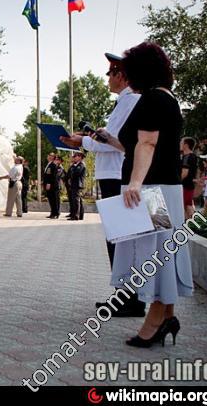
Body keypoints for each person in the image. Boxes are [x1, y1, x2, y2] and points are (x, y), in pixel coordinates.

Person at [97, 41, 192, 348]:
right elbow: (142, 146)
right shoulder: (166, 98)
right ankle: (166, 317)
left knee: (155, 256)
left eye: (128, 67)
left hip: (152, 193)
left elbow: (148, 145)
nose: (124, 73)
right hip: (161, 190)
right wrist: (114, 142)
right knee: (162, 254)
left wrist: (135, 183)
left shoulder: (151, 99)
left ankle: (155, 321)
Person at [60, 52, 144, 315]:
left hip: (117, 175)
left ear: (121, 75)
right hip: (112, 175)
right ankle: (125, 295)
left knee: (121, 239)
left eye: (110, 73)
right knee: (117, 239)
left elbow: (116, 141)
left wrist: (82, 141)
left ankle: (130, 298)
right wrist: (84, 138)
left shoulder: (130, 101)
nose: (107, 78)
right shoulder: (123, 102)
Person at [180, 137, 198, 219]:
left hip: (184, 185)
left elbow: (184, 173)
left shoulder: (186, 157)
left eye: (181, 142)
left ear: (186, 145)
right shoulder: (194, 156)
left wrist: (177, 182)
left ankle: (184, 226)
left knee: (182, 206)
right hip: (190, 185)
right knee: (188, 205)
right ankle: (193, 226)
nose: (180, 144)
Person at [65, 152, 86, 221]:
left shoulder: (81, 165)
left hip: (78, 185)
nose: (74, 158)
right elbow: (69, 174)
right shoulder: (75, 165)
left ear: (80, 157)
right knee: (77, 200)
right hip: (74, 184)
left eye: (75, 156)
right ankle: (79, 215)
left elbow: (76, 173)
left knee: (76, 200)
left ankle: (76, 216)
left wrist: (73, 167)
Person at [43, 153, 58, 218]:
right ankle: (52, 213)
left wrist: (48, 183)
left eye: (50, 156)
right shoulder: (48, 164)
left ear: (53, 157)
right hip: (48, 184)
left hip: (52, 185)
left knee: (54, 199)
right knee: (50, 199)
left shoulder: (53, 165)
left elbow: (53, 176)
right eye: (48, 155)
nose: (48, 156)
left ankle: (55, 213)